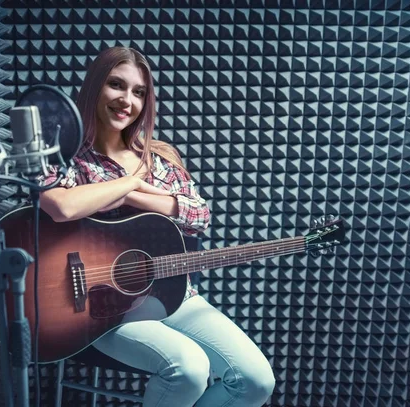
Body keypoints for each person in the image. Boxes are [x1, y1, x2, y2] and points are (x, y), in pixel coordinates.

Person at [40, 46, 275, 407]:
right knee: (190, 368)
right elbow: (60, 205)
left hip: (176, 297)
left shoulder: (160, 157)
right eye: (116, 85)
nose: (126, 100)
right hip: (100, 308)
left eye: (138, 92)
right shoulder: (67, 157)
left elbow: (198, 216)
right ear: (94, 88)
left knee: (255, 381)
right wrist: (131, 183)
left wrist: (132, 195)